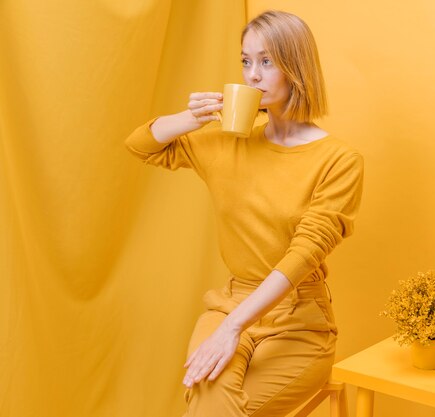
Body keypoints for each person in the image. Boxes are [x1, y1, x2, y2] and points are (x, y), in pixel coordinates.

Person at [125, 10, 364, 417]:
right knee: (209, 397)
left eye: (266, 61)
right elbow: (140, 145)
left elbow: (305, 253)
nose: (252, 74)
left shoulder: (338, 160)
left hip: (299, 320)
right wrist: (191, 118)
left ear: (296, 67)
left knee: (211, 408)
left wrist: (233, 328)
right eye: (245, 60)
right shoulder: (225, 141)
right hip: (229, 302)